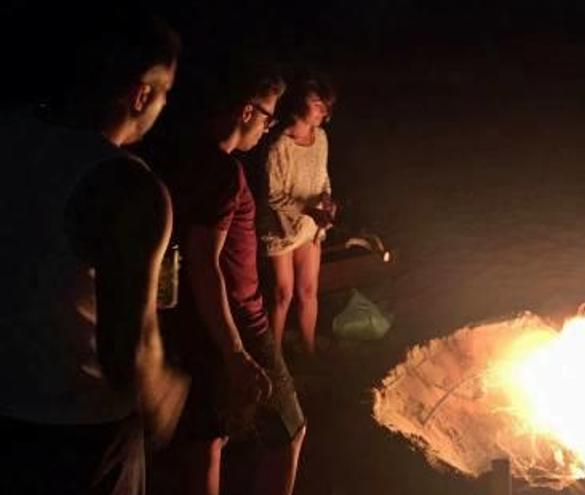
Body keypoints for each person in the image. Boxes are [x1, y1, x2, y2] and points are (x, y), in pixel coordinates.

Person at [0, 15, 188, 494]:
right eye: (165, 94)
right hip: (80, 435)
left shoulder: (13, 136)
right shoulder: (125, 185)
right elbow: (128, 350)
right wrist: (166, 391)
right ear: (142, 94)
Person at [150, 59, 305, 495]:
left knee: (206, 440)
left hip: (191, 322)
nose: (268, 128)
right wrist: (237, 351)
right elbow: (206, 262)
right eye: (268, 116)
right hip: (238, 322)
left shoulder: (185, 158)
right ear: (246, 111)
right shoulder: (222, 172)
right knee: (287, 430)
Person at [253, 74, 337, 356]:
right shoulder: (279, 145)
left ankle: (309, 351)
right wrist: (308, 209)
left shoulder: (321, 138)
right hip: (280, 226)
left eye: (325, 105)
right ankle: (274, 360)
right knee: (282, 294)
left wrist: (326, 199)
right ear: (299, 103)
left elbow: (323, 176)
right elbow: (273, 195)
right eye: (316, 103)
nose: (322, 110)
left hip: (309, 225)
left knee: (308, 292)